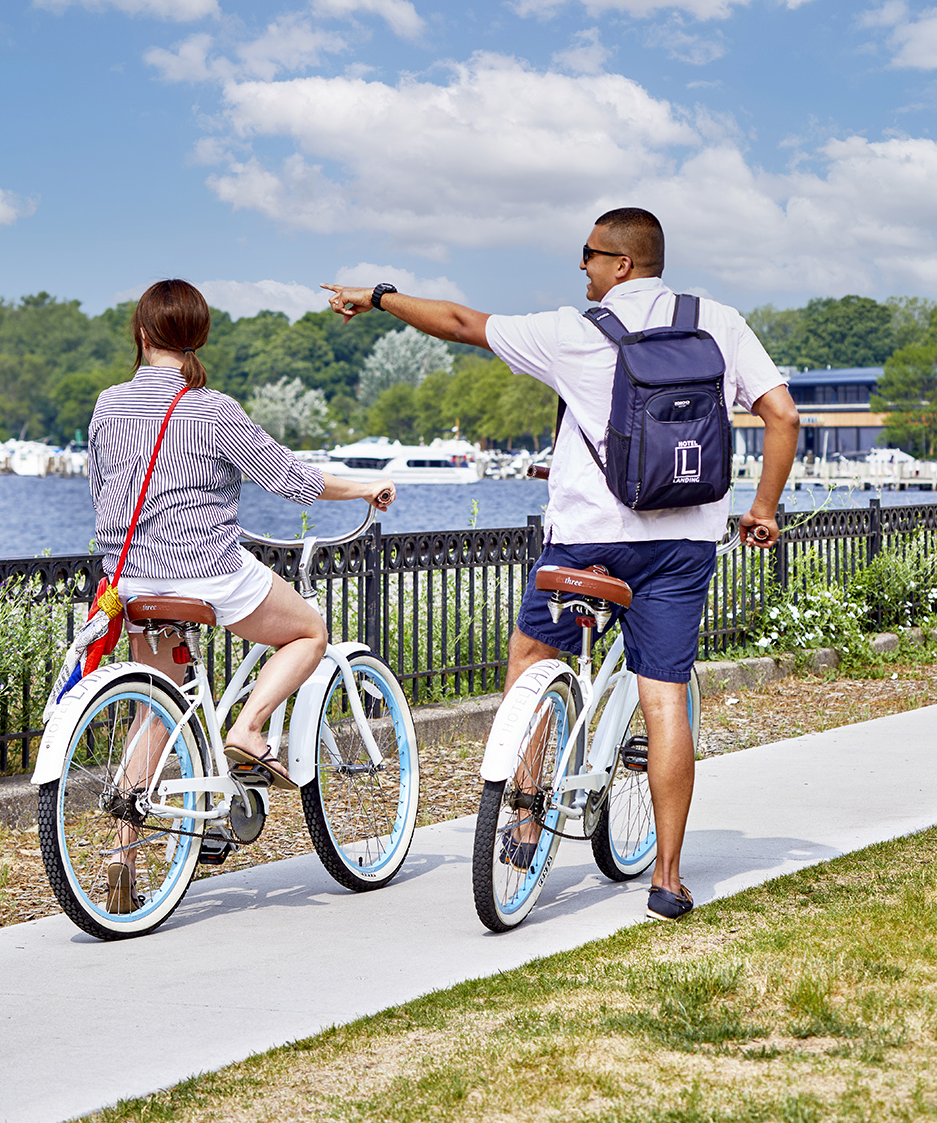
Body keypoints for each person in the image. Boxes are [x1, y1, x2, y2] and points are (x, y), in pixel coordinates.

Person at [323, 208, 799, 922]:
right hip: (681, 546)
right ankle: (667, 878)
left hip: (586, 540)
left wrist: (380, 296)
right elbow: (783, 415)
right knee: (665, 697)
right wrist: (763, 508)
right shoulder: (719, 322)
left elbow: (457, 321)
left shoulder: (573, 333)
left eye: (589, 256)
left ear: (623, 264)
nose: (582, 268)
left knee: (531, 655)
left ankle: (520, 816)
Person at [88, 279, 395, 912]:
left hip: (131, 579)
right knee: (308, 630)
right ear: (198, 336)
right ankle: (249, 727)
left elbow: (102, 486)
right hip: (206, 570)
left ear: (142, 333)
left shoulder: (108, 405)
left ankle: (119, 862)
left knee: (154, 710)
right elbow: (286, 477)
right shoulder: (212, 407)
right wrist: (364, 487)